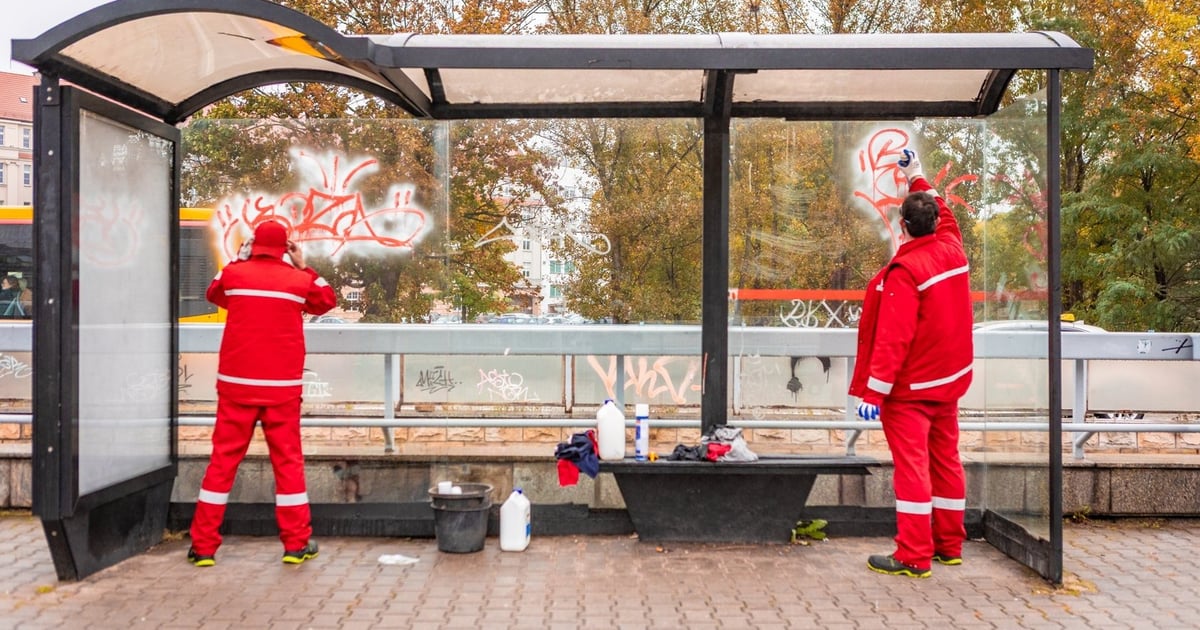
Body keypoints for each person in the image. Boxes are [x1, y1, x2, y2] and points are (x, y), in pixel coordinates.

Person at [849, 148, 974, 578]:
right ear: (937, 222)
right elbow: (942, 211)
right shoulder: (953, 248)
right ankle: (949, 545)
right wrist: (916, 174)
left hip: (912, 390)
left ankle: (914, 555)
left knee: (913, 468)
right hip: (949, 383)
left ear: (903, 226)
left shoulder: (907, 270)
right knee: (946, 461)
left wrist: (874, 390)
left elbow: (893, 338)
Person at [188, 220, 338, 567]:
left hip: (236, 386)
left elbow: (214, 293)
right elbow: (326, 300)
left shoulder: (236, 275)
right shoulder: (298, 282)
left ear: (253, 244)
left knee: (222, 464)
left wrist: (239, 260)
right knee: (288, 466)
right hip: (281, 390)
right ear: (285, 247)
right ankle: (296, 545)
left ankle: (204, 547)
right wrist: (303, 264)